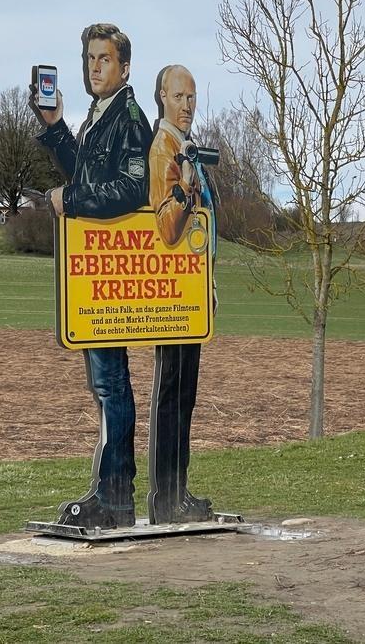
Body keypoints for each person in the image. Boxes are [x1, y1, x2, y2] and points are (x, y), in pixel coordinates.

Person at [29, 23, 152, 529]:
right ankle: (111, 492)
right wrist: (56, 126)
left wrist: (71, 200)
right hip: (97, 270)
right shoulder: (101, 117)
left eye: (103, 59)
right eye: (89, 59)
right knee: (105, 383)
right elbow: (87, 173)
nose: (94, 67)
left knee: (112, 385)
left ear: (124, 66)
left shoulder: (129, 118)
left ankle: (116, 495)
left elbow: (129, 189)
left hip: (114, 270)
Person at [146, 64, 217, 523]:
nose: (187, 105)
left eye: (192, 96)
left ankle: (179, 492)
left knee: (183, 395)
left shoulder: (186, 148)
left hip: (190, 295)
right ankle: (167, 498)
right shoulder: (163, 150)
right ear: (161, 99)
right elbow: (166, 227)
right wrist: (188, 191)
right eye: (178, 97)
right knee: (172, 393)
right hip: (172, 296)